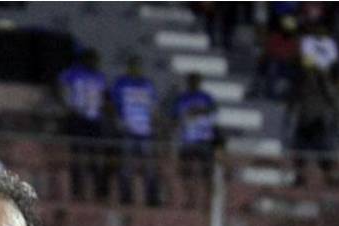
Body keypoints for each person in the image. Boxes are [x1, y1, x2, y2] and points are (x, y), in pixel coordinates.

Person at [58, 48, 110, 201]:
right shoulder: (74, 73)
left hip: (95, 119)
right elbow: (60, 85)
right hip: (79, 118)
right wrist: (68, 105)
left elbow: (104, 96)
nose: (94, 63)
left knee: (96, 158)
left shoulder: (100, 76)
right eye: (92, 60)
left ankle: (98, 192)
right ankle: (77, 191)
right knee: (78, 156)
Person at [110, 56, 160, 206]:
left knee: (149, 166)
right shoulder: (121, 84)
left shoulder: (147, 85)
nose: (135, 69)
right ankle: (126, 197)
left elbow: (154, 108)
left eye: (138, 66)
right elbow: (114, 105)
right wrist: (119, 123)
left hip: (145, 132)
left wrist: (154, 125)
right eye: (133, 66)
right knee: (126, 166)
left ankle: (152, 197)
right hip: (128, 131)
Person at [172, 72, 219, 206]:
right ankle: (190, 199)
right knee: (187, 172)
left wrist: (198, 113)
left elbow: (213, 114)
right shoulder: (182, 98)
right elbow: (175, 117)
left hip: (204, 139)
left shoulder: (206, 98)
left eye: (196, 81)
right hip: (187, 140)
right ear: (188, 83)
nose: (194, 84)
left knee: (207, 172)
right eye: (192, 81)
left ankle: (209, 201)